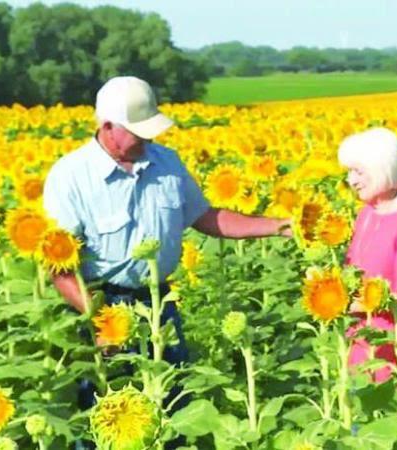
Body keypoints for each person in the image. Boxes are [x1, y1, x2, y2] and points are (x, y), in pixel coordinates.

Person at [42, 76, 291, 448]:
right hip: (102, 305)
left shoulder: (166, 164)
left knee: (172, 406)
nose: (147, 139)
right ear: (107, 126)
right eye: (137, 131)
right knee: (105, 417)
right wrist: (100, 319)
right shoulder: (71, 176)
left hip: (160, 305)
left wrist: (276, 226)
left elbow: (206, 217)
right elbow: (58, 265)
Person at [338, 127, 397, 383]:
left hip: (395, 349)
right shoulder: (366, 213)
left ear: (383, 169)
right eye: (349, 172)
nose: (351, 180)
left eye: (358, 172)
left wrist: (351, 305)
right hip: (360, 343)